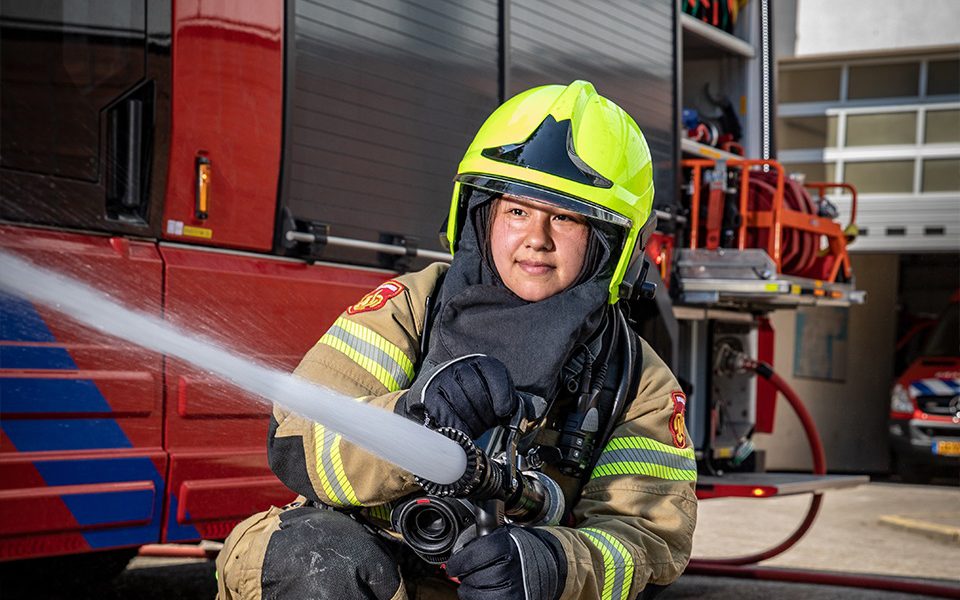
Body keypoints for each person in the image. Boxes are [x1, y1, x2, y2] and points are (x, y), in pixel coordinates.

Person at [216, 80, 697, 600]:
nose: (536, 238)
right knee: (313, 557)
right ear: (480, 215)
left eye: (565, 217)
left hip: (506, 589)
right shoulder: (411, 307)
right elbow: (297, 438)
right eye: (517, 211)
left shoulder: (637, 382)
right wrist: (412, 421)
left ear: (612, 243)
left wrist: (553, 567)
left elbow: (649, 539)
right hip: (370, 568)